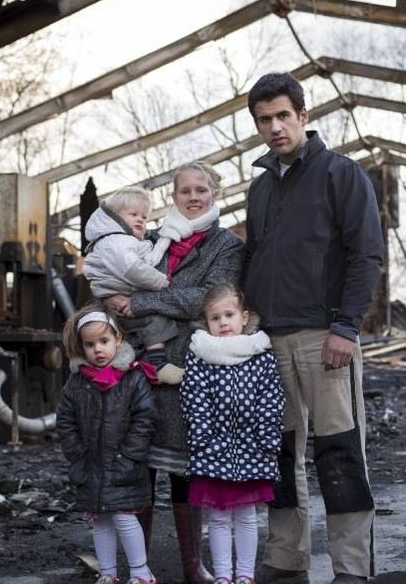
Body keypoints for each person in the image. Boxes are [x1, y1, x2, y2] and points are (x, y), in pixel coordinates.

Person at [241, 72, 384, 584]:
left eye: (283, 115)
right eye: (264, 119)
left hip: (325, 338)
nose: (275, 127)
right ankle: (286, 557)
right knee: (278, 454)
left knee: (340, 451)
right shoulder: (258, 189)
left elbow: (366, 254)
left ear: (304, 115)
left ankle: (350, 569)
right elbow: (254, 258)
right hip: (268, 340)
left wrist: (346, 327)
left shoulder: (341, 174)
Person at [103, 161, 243, 584]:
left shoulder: (226, 245)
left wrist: (141, 302)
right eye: (185, 191)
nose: (194, 196)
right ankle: (139, 566)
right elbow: (115, 279)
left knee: (186, 468)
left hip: (189, 369)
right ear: (174, 195)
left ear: (214, 193)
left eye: (202, 189)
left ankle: (191, 564)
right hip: (138, 365)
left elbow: (208, 299)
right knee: (138, 465)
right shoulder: (149, 240)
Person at [181, 283, 284, 584]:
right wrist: (200, 440)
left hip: (253, 447)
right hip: (213, 448)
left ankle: (245, 575)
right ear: (207, 323)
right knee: (218, 517)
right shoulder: (201, 355)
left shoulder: (259, 355)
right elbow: (193, 398)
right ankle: (223, 575)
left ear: (244, 317)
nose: (223, 322)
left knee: (247, 516)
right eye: (215, 318)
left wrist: (268, 440)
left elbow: (271, 399)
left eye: (229, 315)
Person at [56, 305, 159, 584]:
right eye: (90, 345)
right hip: (90, 465)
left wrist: (129, 456)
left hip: (125, 465)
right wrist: (78, 454)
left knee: (125, 519)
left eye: (104, 341)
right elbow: (65, 420)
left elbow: (145, 418)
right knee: (100, 521)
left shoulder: (132, 378)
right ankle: (108, 573)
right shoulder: (77, 382)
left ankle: (140, 572)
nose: (98, 349)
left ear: (118, 340)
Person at [83, 186, 180, 374]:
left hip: (114, 293)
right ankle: (158, 364)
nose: (140, 220)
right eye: (133, 214)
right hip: (117, 291)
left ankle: (122, 363)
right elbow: (133, 269)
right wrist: (161, 281)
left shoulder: (121, 240)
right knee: (154, 320)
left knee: (126, 332)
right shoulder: (117, 241)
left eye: (144, 217)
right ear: (115, 218)